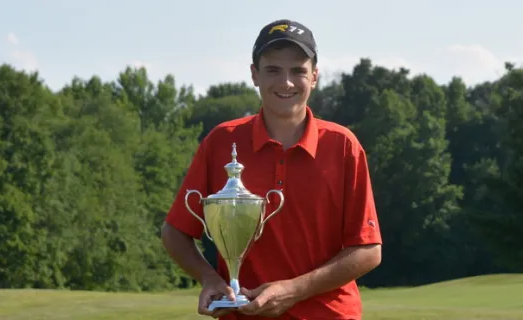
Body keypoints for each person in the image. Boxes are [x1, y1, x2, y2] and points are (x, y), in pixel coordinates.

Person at [161, 19, 383, 320]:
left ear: (315, 76)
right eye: (273, 70)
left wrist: (295, 289)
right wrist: (210, 278)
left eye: (298, 71)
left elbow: (368, 250)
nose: (286, 82)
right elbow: (175, 231)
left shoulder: (343, 145)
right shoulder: (222, 142)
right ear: (254, 74)